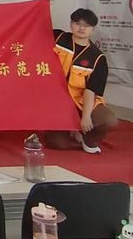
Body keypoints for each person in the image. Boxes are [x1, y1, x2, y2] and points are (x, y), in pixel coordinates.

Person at [45, 8, 118, 154]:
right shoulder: (58, 38)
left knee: (109, 120)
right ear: (71, 24)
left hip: (82, 101)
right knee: (58, 144)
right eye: (77, 23)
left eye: (87, 25)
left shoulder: (97, 58)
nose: (81, 28)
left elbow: (91, 90)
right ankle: (69, 127)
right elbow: (34, 28)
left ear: (93, 28)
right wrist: (43, 5)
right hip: (57, 102)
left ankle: (88, 138)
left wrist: (85, 117)